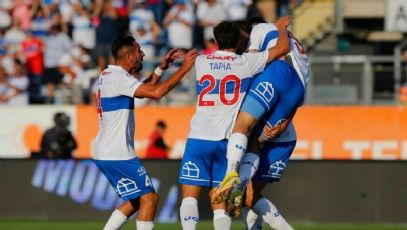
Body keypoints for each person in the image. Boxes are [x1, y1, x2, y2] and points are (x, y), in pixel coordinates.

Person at [178, 17, 292, 230]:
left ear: (215, 41)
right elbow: (283, 48)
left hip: (198, 138)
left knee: (189, 199)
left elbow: (187, 63)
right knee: (220, 205)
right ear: (239, 41)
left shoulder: (201, 61)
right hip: (228, 142)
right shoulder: (246, 63)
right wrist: (281, 27)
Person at [93, 35, 197, 230]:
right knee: (150, 198)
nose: (143, 54)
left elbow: (146, 87)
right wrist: (184, 69)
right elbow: (156, 93)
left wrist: (161, 68)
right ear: (130, 56)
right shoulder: (118, 78)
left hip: (107, 151)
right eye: (139, 51)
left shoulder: (109, 75)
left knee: (136, 201)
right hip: (117, 153)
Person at [214, 17, 310, 229]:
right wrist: (287, 118)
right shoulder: (298, 47)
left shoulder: (260, 30)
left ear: (246, 32)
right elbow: (301, 88)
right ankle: (241, 185)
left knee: (242, 126)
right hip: (294, 95)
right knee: (255, 144)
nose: (240, 47)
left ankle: (232, 176)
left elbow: (251, 63)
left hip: (277, 73)